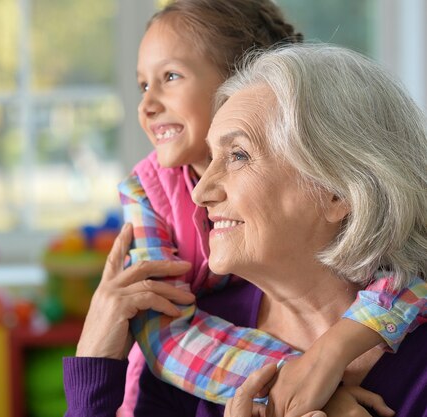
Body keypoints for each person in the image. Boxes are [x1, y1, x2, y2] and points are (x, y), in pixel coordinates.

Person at [65, 43, 427, 417]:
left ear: (337, 191)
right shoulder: (192, 348)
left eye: (238, 155)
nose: (200, 192)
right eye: (210, 160)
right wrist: (94, 372)